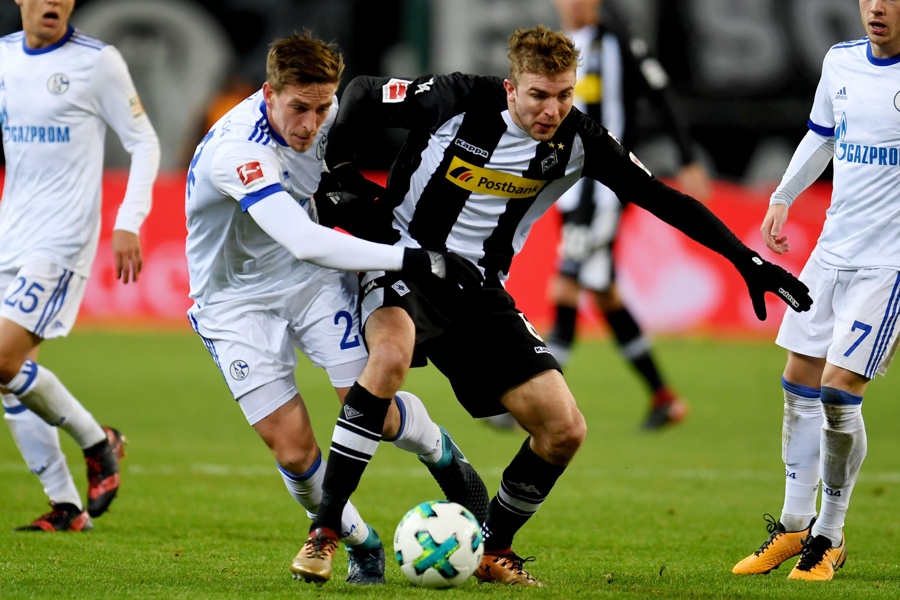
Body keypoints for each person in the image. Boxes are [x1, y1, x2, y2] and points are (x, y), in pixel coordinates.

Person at [289, 24, 813, 587]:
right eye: (539, 95)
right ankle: (323, 532)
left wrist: (745, 260)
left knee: (564, 430)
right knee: (389, 358)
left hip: (480, 292)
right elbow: (365, 90)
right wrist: (339, 172)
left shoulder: (580, 139)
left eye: (565, 95)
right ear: (511, 89)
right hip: (403, 263)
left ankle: (492, 548)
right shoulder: (461, 97)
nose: (552, 109)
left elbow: (663, 198)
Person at [184, 31, 488, 585]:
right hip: (234, 303)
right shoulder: (238, 153)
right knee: (294, 449)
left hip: (309, 283)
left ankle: (443, 453)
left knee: (372, 406)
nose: (312, 123)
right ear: (269, 93)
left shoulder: (324, 121)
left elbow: (324, 202)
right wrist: (416, 261)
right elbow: (304, 238)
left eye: (324, 107)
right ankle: (360, 543)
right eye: (299, 108)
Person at [731, 0, 900, 582]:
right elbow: (821, 135)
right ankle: (794, 523)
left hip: (888, 267)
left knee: (836, 392)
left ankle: (830, 533)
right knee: (798, 382)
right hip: (830, 255)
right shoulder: (842, 61)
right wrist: (782, 196)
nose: (877, 8)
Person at [493, 0, 711, 432]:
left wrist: (687, 157)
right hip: (567, 190)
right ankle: (663, 396)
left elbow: (660, 92)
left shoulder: (619, 42)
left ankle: (534, 405)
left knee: (566, 284)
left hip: (603, 190)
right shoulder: (561, 51)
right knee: (603, 290)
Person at [0, 0, 159, 532]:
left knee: (1, 362)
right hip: (10, 235)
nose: (54, 2)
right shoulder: (3, 58)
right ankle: (68, 507)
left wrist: (129, 219)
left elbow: (144, 142)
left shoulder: (98, 61)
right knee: (9, 378)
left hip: (61, 240)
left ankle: (96, 442)